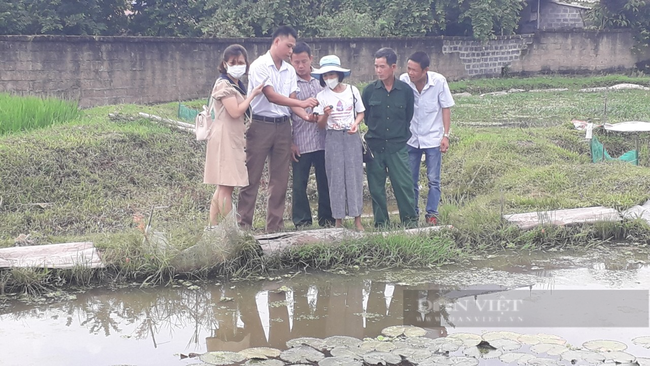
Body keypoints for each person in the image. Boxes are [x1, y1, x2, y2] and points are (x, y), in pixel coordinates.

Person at [238, 26, 319, 233]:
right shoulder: (259, 66)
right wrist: (302, 105)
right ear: (276, 42)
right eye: (289, 46)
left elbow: (291, 101)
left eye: (293, 47)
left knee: (280, 180)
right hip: (260, 125)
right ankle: (243, 226)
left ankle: (274, 228)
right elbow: (271, 96)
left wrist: (307, 117)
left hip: (283, 126)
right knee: (251, 177)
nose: (291, 51)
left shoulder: (289, 70)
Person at [204, 44, 263, 226]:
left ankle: (212, 228)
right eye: (233, 62)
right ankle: (232, 230)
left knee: (223, 186)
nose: (237, 65)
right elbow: (235, 112)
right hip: (225, 138)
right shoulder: (224, 84)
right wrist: (252, 95)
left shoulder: (237, 84)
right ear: (225, 64)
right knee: (226, 187)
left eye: (241, 62)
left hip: (231, 137)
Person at [361, 47, 418, 228]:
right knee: (376, 189)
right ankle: (381, 225)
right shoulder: (369, 91)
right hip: (375, 147)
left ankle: (409, 223)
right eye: (376, 66)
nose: (378, 70)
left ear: (393, 67)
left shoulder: (405, 91)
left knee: (403, 186)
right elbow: (367, 117)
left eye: (382, 66)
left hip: (397, 146)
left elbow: (408, 116)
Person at [400, 52, 455, 225]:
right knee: (410, 179)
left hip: (433, 138)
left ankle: (432, 214)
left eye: (414, 70)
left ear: (425, 70)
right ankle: (413, 214)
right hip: (411, 138)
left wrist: (445, 136)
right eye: (408, 68)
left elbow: (446, 108)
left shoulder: (439, 82)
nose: (410, 73)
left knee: (434, 179)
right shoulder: (403, 81)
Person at [312, 55, 365, 231]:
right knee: (335, 178)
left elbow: (360, 113)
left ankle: (358, 219)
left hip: (351, 137)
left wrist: (356, 124)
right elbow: (320, 125)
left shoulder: (352, 91)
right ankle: (338, 221)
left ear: (339, 75)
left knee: (354, 176)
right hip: (332, 137)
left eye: (331, 75)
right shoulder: (321, 96)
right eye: (325, 76)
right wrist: (326, 114)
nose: (329, 79)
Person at [289, 42, 335, 229]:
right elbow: (286, 113)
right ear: (291, 61)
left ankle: (328, 220)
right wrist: (290, 142)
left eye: (304, 61)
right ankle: (302, 222)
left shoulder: (322, 80)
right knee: (300, 184)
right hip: (301, 141)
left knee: (326, 181)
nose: (300, 66)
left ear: (311, 59)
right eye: (296, 62)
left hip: (324, 140)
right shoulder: (289, 82)